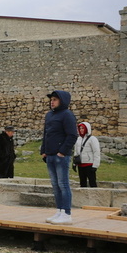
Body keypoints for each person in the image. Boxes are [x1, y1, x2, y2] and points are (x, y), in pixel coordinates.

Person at [41, 90, 77, 225]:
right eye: (51, 99)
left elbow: (72, 135)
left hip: (60, 156)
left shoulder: (67, 115)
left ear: (62, 101)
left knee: (63, 184)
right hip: (50, 155)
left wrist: (62, 152)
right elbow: (46, 134)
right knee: (55, 185)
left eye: (55, 99)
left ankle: (66, 213)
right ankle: (59, 211)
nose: (52, 101)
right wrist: (43, 150)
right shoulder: (49, 115)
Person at [74, 122, 100, 188]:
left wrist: (95, 165)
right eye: (80, 128)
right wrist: (74, 163)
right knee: (82, 183)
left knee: (92, 182)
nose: (81, 130)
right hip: (80, 164)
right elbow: (76, 151)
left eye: (83, 128)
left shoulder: (92, 139)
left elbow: (96, 152)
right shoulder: (78, 139)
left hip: (89, 164)